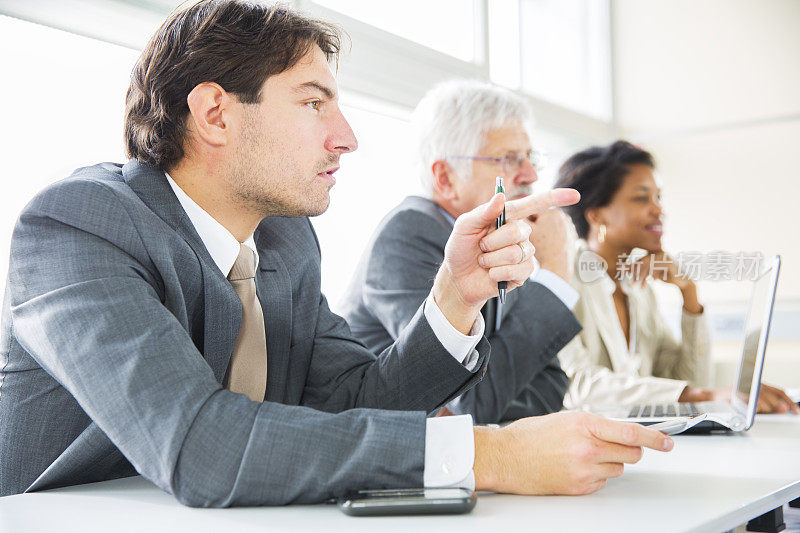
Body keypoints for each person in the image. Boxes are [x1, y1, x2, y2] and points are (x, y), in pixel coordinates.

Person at [0, 1, 674, 506]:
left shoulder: (285, 241)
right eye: (315, 102)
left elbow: (361, 396)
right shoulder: (78, 225)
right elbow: (203, 448)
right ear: (215, 114)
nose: (346, 136)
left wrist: (454, 294)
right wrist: (487, 453)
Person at [341, 80, 582, 422]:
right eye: (510, 160)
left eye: (530, 159)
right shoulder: (410, 233)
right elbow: (470, 404)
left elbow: (550, 387)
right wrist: (555, 274)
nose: (530, 174)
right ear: (446, 179)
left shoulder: (501, 243)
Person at [554, 140, 799, 414]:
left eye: (658, 198)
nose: (659, 210)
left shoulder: (638, 288)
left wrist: (689, 293)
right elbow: (576, 386)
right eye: (641, 198)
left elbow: (690, 381)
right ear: (597, 216)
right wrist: (706, 394)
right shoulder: (563, 277)